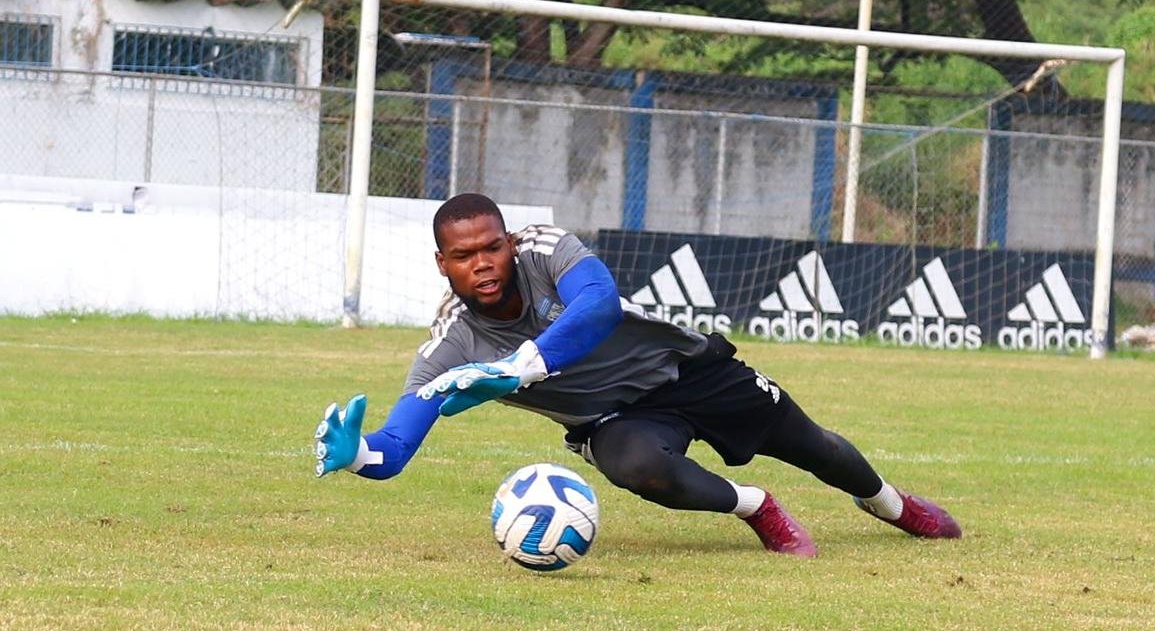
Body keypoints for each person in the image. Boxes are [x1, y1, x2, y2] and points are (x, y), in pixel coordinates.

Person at [313, 193, 960, 557]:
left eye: (491, 246)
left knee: (813, 445)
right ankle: (757, 507)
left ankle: (894, 506)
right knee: (637, 466)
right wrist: (360, 454)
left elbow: (598, 304)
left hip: (687, 367)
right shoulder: (451, 340)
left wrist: (518, 368)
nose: (482, 262)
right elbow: (398, 443)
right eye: (464, 255)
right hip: (612, 420)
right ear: (442, 264)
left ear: (509, 242)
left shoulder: (545, 247)